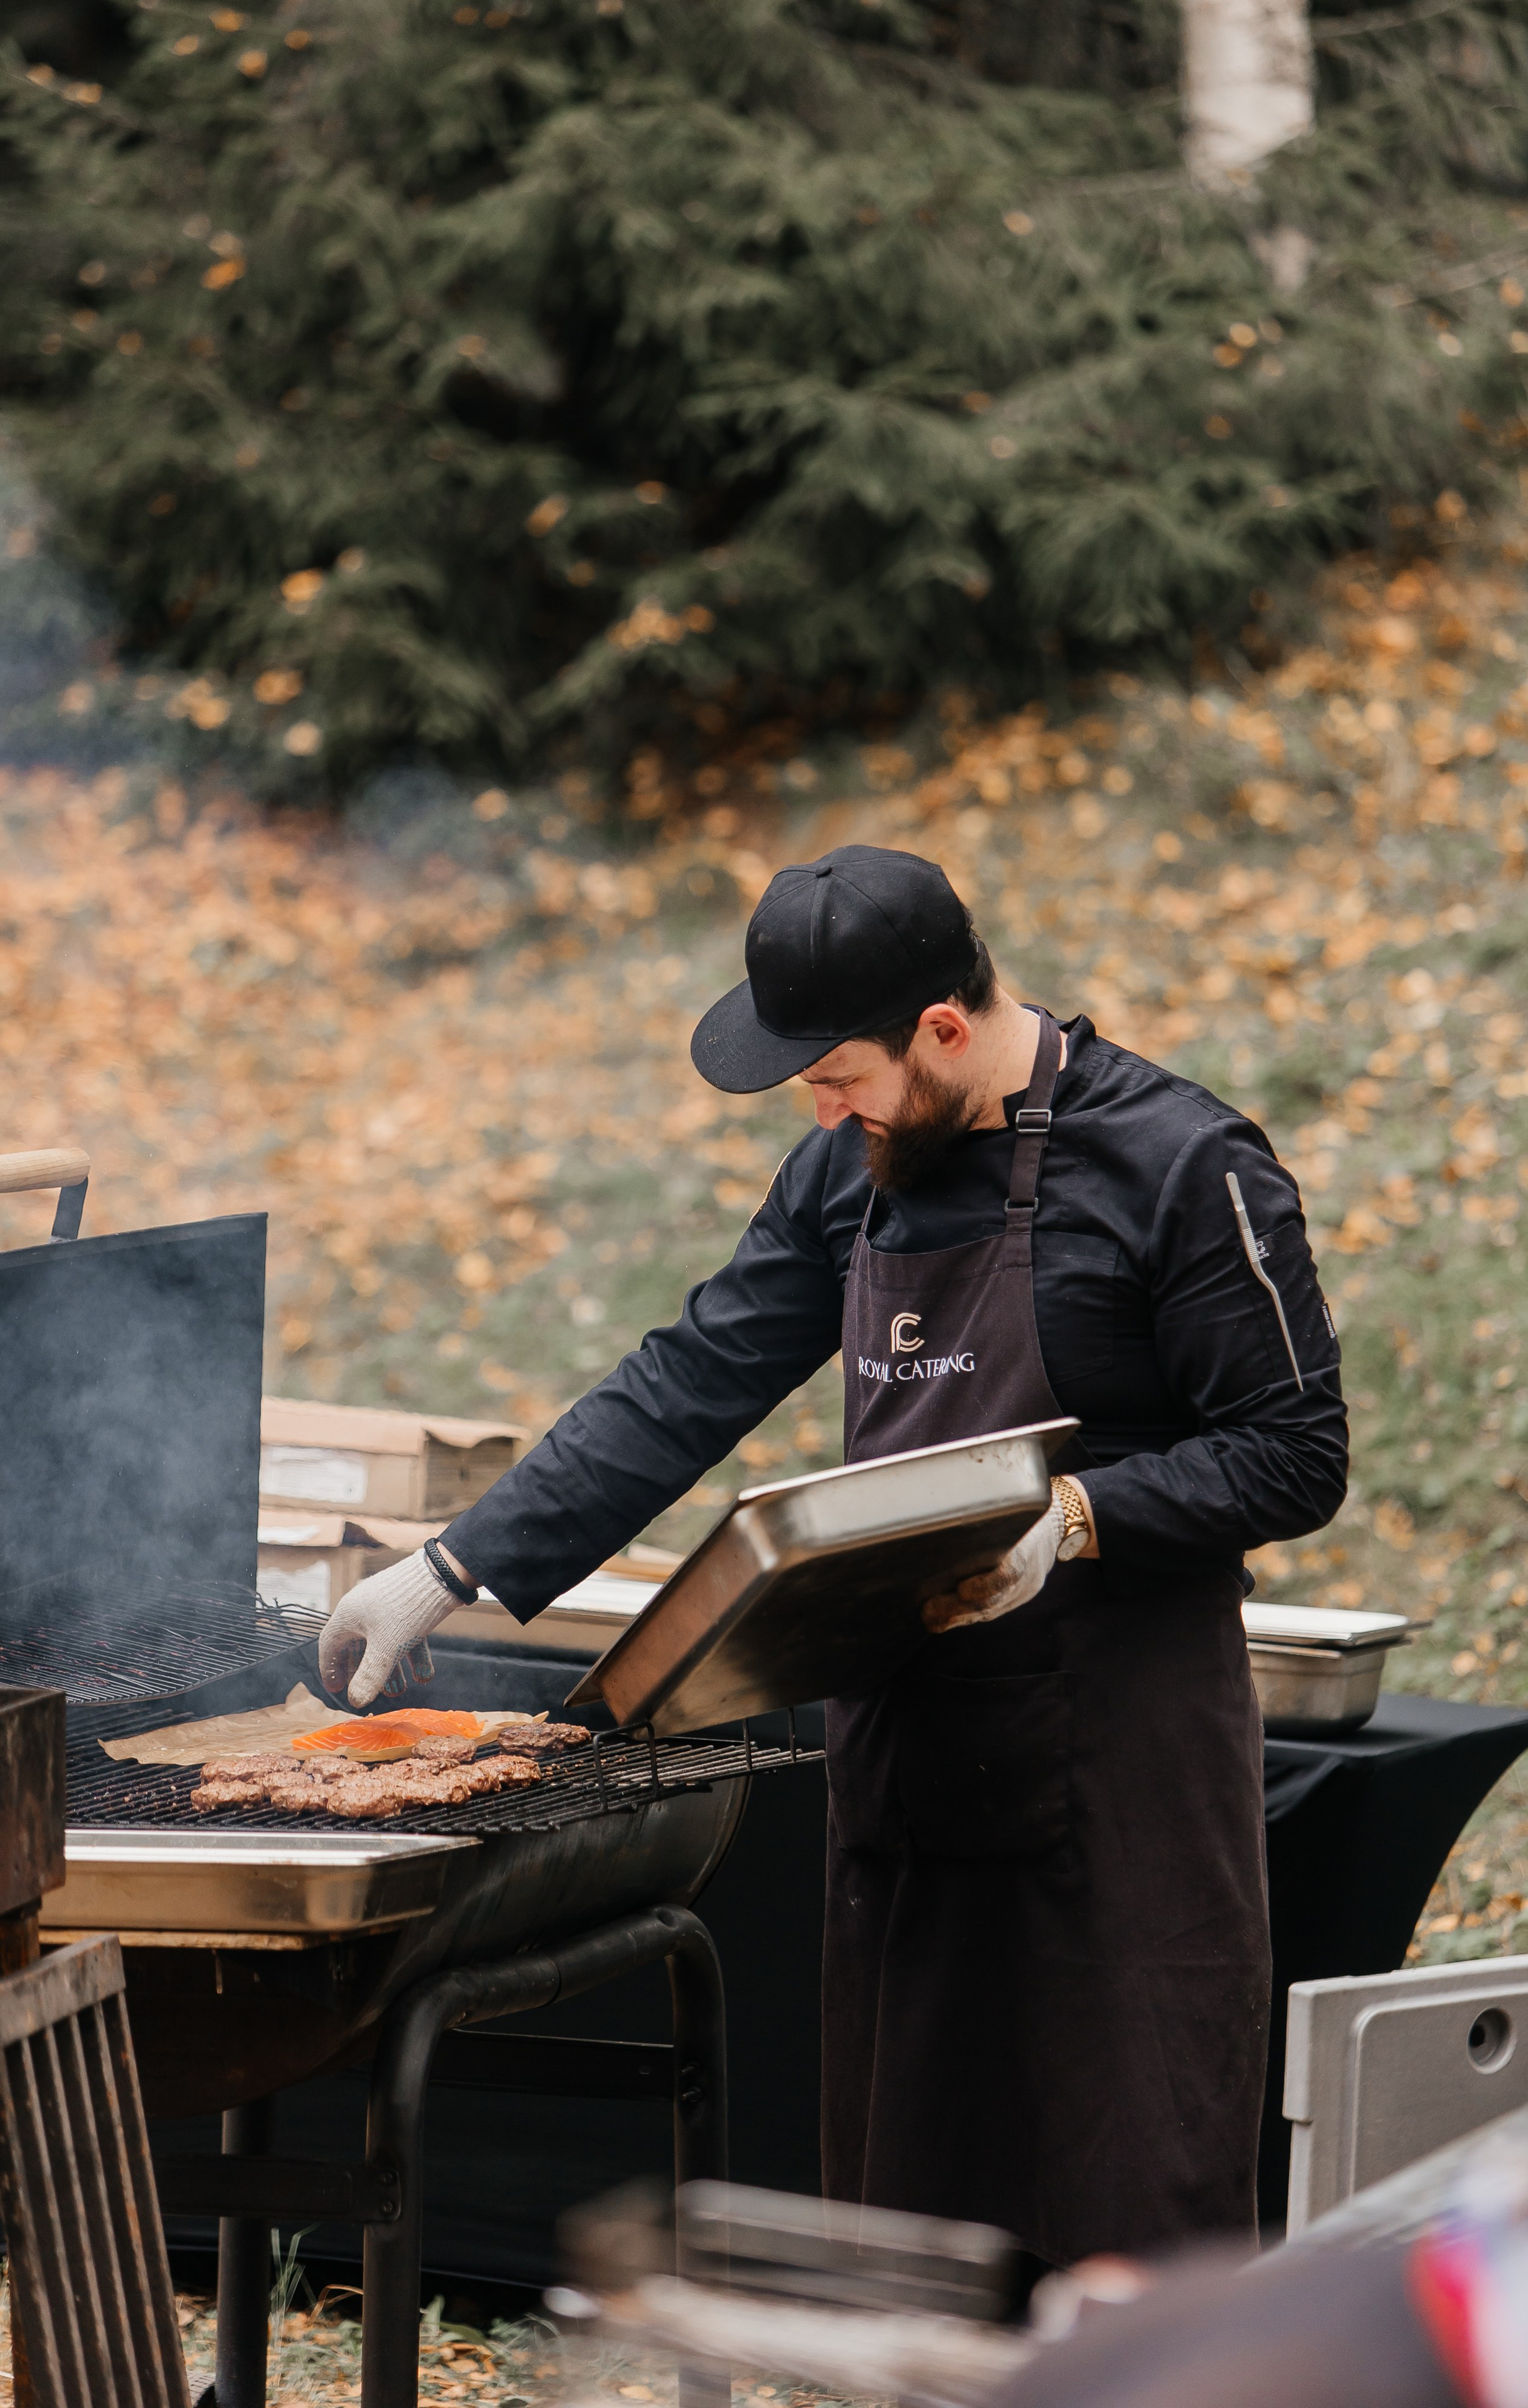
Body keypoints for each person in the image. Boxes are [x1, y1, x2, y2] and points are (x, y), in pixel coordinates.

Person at [319, 843, 1348, 2266]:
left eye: (836, 1073)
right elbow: (690, 1379)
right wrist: (451, 1568)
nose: (820, 1108)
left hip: (1125, 1772)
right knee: (911, 2228)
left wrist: (1076, 1517)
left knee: (1132, 2198)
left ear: (941, 1025)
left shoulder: (1179, 1164)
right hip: (913, 1757)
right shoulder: (849, 1176)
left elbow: (1293, 1449)